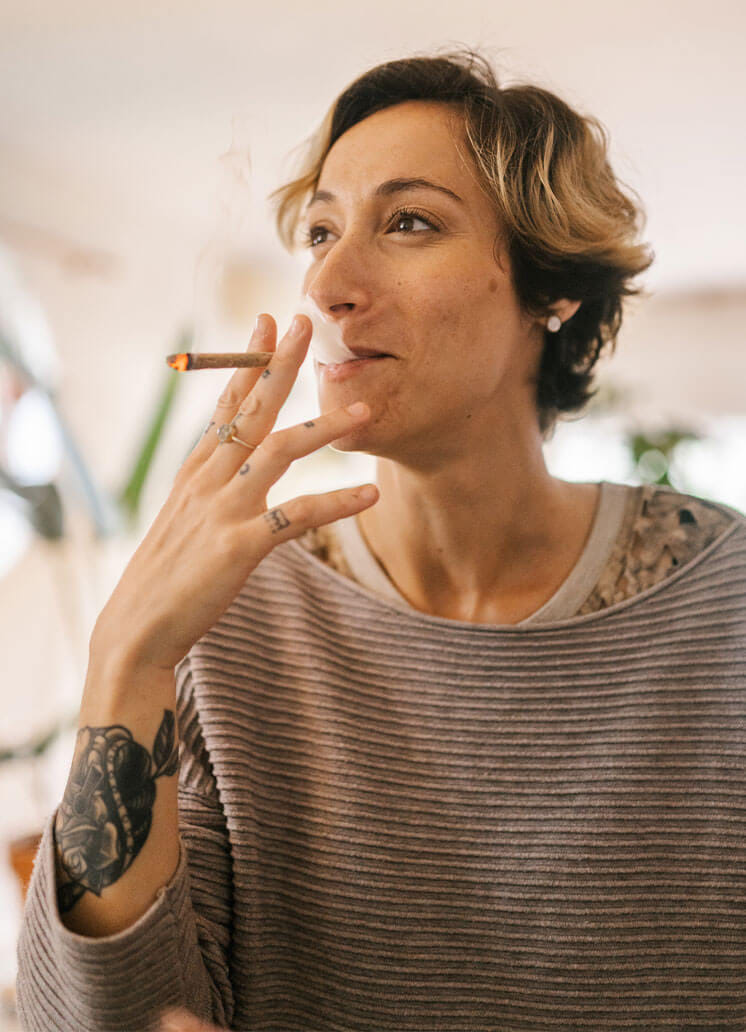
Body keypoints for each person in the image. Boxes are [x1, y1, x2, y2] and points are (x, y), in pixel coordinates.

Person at [16, 47, 746, 1032]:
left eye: (409, 223)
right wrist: (125, 657)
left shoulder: (727, 600)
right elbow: (104, 1019)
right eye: (321, 231)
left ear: (551, 287)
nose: (328, 282)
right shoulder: (230, 620)